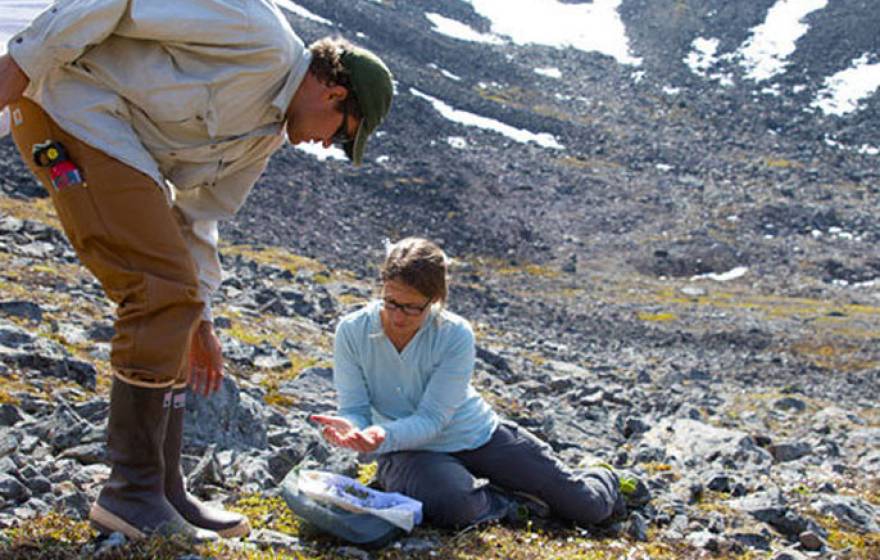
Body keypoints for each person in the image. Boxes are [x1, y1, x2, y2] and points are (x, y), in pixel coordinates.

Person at [0, 0, 393, 541]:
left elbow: (197, 217)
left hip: (122, 147)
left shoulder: (263, 138)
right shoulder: (256, 33)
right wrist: (21, 61)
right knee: (157, 290)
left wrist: (200, 318)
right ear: (334, 94)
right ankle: (129, 492)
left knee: (179, 304)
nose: (330, 146)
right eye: (342, 134)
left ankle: (163, 488)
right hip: (67, 108)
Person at [312, 238, 630, 530]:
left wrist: (381, 435)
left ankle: (603, 474)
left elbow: (432, 419)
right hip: (408, 451)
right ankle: (506, 502)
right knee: (455, 506)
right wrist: (353, 429)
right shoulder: (352, 331)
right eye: (391, 302)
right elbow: (355, 409)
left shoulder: (454, 334)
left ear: (435, 300)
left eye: (412, 308)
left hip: (475, 433)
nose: (398, 317)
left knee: (589, 507)